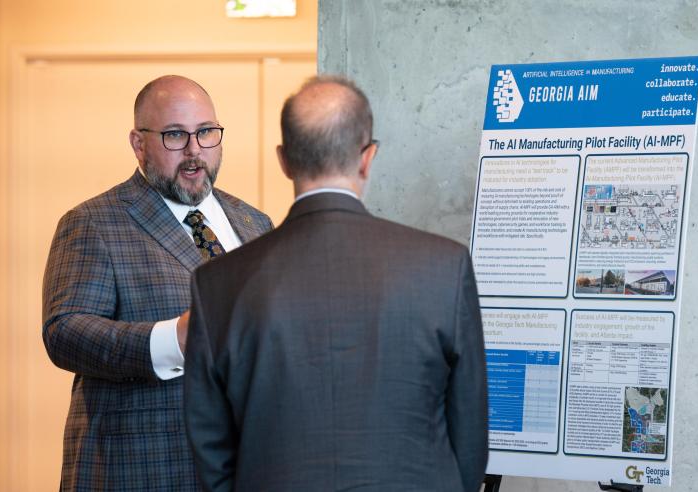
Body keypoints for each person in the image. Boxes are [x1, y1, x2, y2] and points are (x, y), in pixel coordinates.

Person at [184, 75, 488, 492]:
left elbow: (210, 445)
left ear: (284, 160)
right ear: (368, 158)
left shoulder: (217, 282)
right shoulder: (443, 266)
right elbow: (469, 433)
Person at [42, 75, 272, 491]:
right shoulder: (92, 222)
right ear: (138, 143)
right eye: (174, 136)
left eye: (206, 133)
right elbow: (64, 332)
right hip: (139, 470)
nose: (194, 151)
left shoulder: (256, 223)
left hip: (246, 467)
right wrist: (174, 339)